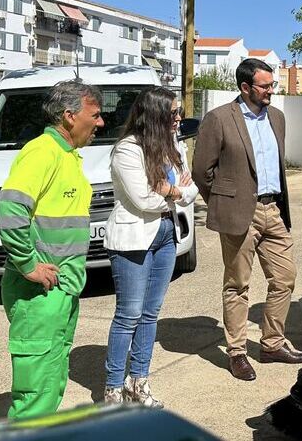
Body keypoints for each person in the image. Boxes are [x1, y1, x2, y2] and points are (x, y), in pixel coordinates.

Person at [193, 58, 302, 382]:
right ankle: (237, 352)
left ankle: (271, 344)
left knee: (285, 277)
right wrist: (224, 201)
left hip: (275, 210)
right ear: (245, 87)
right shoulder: (219, 119)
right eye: (265, 86)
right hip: (240, 213)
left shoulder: (278, 118)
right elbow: (202, 170)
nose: (271, 91)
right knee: (237, 284)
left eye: (272, 85)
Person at [0, 81, 104, 419]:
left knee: (50, 385)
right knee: (35, 398)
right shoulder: (43, 151)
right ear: (70, 116)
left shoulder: (67, 156)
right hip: (38, 294)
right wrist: (29, 265)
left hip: (59, 291)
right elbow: (10, 210)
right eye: (95, 115)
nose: (100, 123)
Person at [103, 87, 198, 407]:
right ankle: (113, 389)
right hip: (133, 239)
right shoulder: (127, 150)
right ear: (155, 115)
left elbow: (191, 190)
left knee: (150, 314)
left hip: (166, 234)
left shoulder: (174, 146)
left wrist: (168, 188)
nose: (179, 118)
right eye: (173, 113)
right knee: (128, 314)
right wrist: (174, 191)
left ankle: (138, 383)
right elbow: (141, 198)